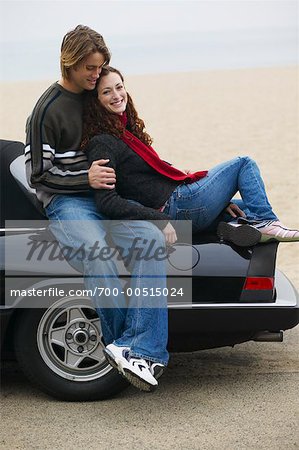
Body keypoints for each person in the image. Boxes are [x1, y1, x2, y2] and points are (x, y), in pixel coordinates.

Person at [25, 26, 169, 392]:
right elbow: (37, 176)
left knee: (151, 243)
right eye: (89, 68)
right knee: (98, 254)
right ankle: (116, 346)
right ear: (69, 64)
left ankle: (137, 348)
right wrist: (83, 181)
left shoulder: (93, 96)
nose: (96, 74)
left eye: (99, 66)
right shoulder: (46, 110)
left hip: (102, 197)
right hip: (66, 202)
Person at [81, 66, 299, 247]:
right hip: (177, 206)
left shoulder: (124, 132)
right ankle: (265, 222)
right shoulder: (103, 142)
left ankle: (232, 226)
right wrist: (160, 220)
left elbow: (141, 177)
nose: (117, 95)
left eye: (119, 87)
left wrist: (218, 201)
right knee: (244, 164)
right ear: (96, 101)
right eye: (107, 92)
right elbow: (107, 202)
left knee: (247, 205)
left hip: (180, 206)